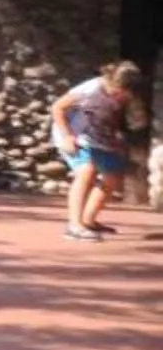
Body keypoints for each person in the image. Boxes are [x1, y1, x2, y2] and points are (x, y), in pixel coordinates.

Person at [47, 60, 147, 241]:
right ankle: (74, 226)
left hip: (101, 136)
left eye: (125, 94)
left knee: (113, 176)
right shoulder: (90, 88)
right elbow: (57, 107)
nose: (120, 96)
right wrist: (68, 136)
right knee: (87, 171)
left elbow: (120, 118)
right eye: (118, 91)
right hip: (74, 133)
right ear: (113, 82)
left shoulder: (130, 95)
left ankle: (88, 220)